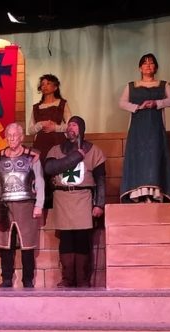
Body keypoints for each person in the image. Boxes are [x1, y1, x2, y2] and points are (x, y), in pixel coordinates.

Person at [45, 116, 105, 288]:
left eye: (75, 125)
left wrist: (99, 204)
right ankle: (67, 278)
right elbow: (50, 169)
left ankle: (82, 279)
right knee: (66, 240)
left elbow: (100, 180)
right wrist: (75, 157)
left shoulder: (94, 151)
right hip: (62, 200)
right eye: (69, 124)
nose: (71, 127)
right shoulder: (56, 150)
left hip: (83, 200)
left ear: (82, 129)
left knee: (81, 240)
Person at [0, 123, 45, 288]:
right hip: (4, 205)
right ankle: (6, 278)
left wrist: (39, 204)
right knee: (6, 243)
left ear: (21, 137)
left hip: (26, 204)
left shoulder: (31, 157)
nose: (12, 138)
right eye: (9, 135)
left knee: (27, 244)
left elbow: (39, 181)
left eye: (15, 135)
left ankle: (27, 280)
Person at [119, 53, 170, 203]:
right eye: (145, 63)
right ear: (140, 67)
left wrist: (157, 103)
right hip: (138, 129)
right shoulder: (131, 86)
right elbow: (122, 103)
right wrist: (138, 106)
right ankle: (138, 193)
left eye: (151, 63)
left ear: (156, 67)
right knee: (138, 158)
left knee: (153, 158)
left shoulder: (163, 85)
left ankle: (155, 193)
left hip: (155, 128)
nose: (148, 66)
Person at [28, 74, 71, 209]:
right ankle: (43, 206)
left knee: (58, 173)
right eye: (43, 84)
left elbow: (70, 125)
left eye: (47, 83)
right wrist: (40, 125)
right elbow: (30, 130)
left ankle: (60, 205)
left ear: (55, 86)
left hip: (57, 142)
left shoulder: (62, 104)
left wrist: (55, 127)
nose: (44, 86)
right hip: (41, 145)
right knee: (40, 174)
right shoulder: (36, 107)